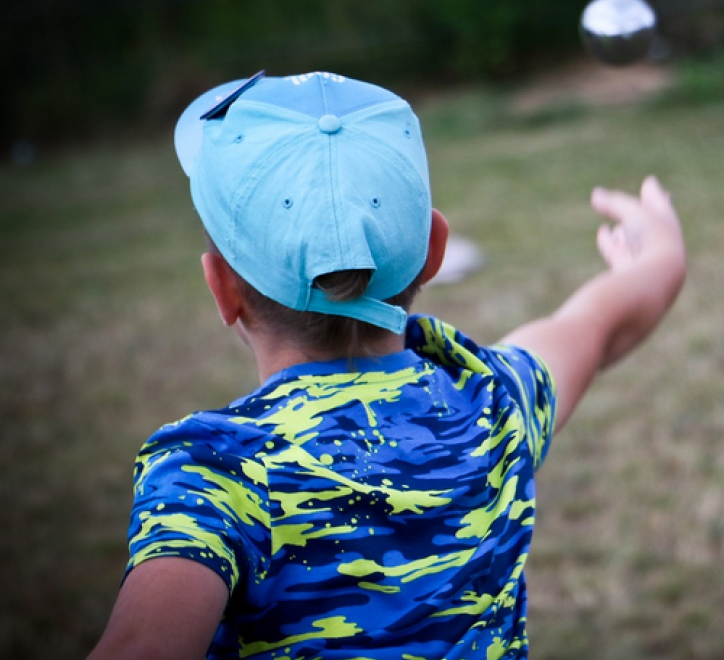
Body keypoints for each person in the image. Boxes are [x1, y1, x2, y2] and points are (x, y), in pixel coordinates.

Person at [87, 71, 686, 660]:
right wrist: (659, 253)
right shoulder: (495, 404)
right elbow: (600, 325)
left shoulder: (216, 474)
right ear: (434, 252)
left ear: (222, 289)